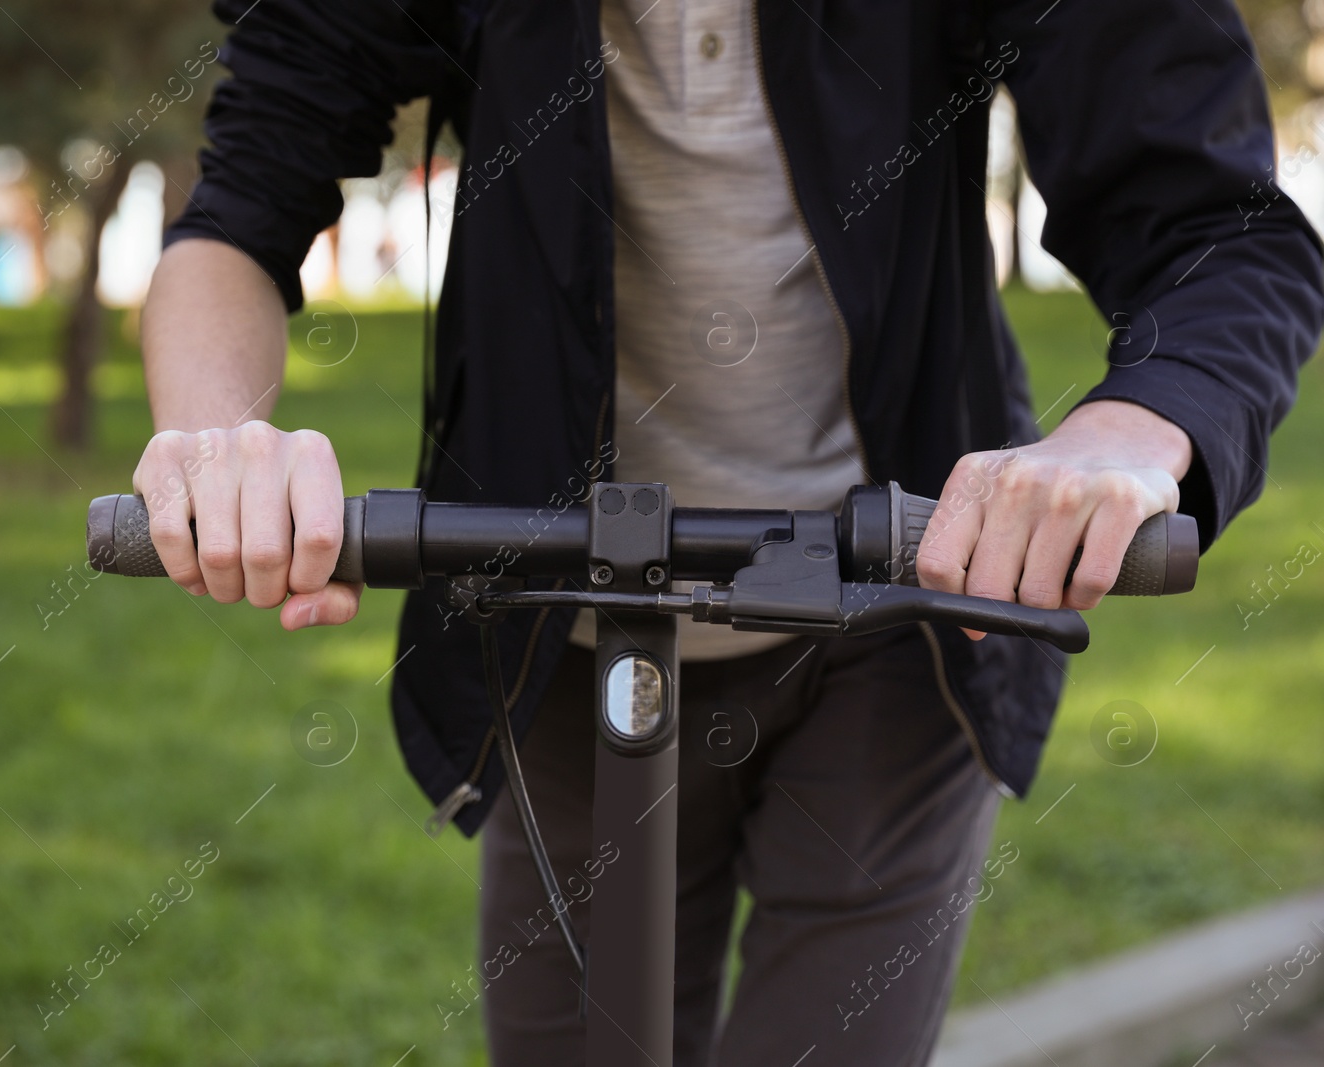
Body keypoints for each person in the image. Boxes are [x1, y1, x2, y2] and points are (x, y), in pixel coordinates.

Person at [130, 0, 1323, 1062]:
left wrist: (1124, 431)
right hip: (558, 616)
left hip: (897, 601)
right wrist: (212, 434)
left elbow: (1215, 228)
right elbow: (240, 209)